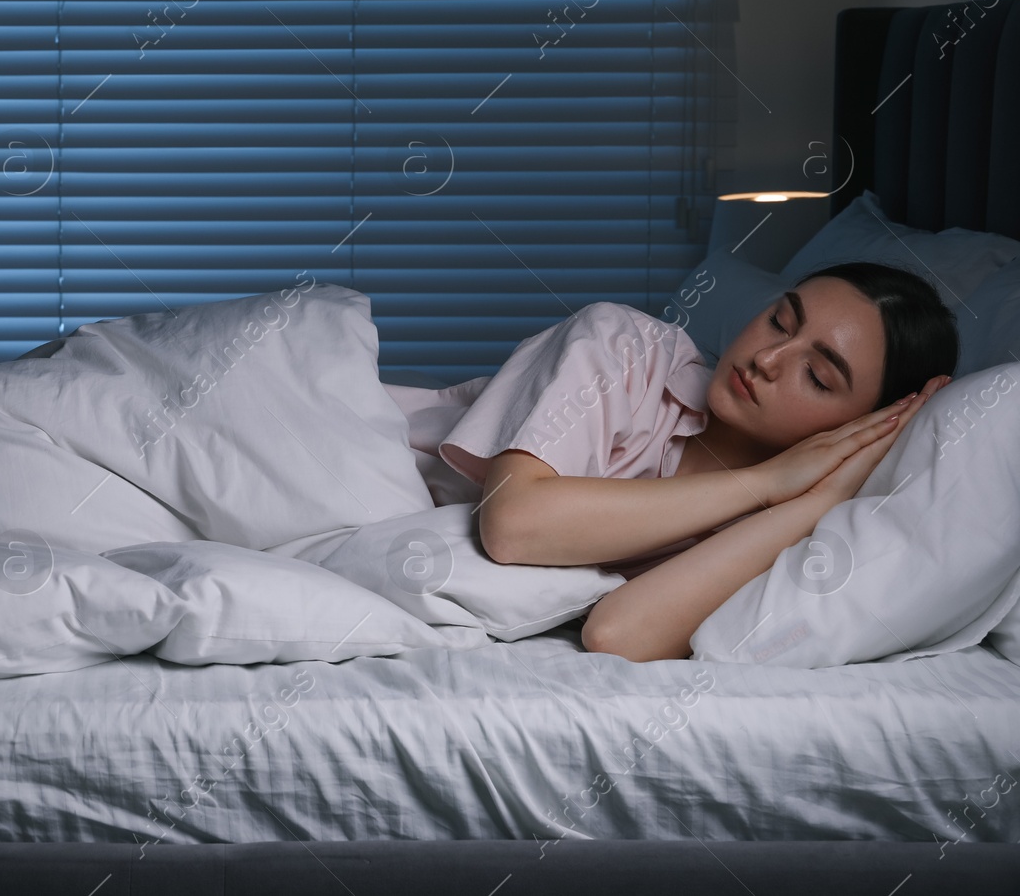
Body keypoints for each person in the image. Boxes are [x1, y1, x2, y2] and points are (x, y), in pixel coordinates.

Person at [381, 261, 958, 662]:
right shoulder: (623, 345)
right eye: (781, 320)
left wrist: (822, 497)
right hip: (337, 438)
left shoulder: (794, 532)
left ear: (857, 427)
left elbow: (619, 633)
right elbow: (514, 526)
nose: (769, 357)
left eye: (817, 375)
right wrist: (769, 480)